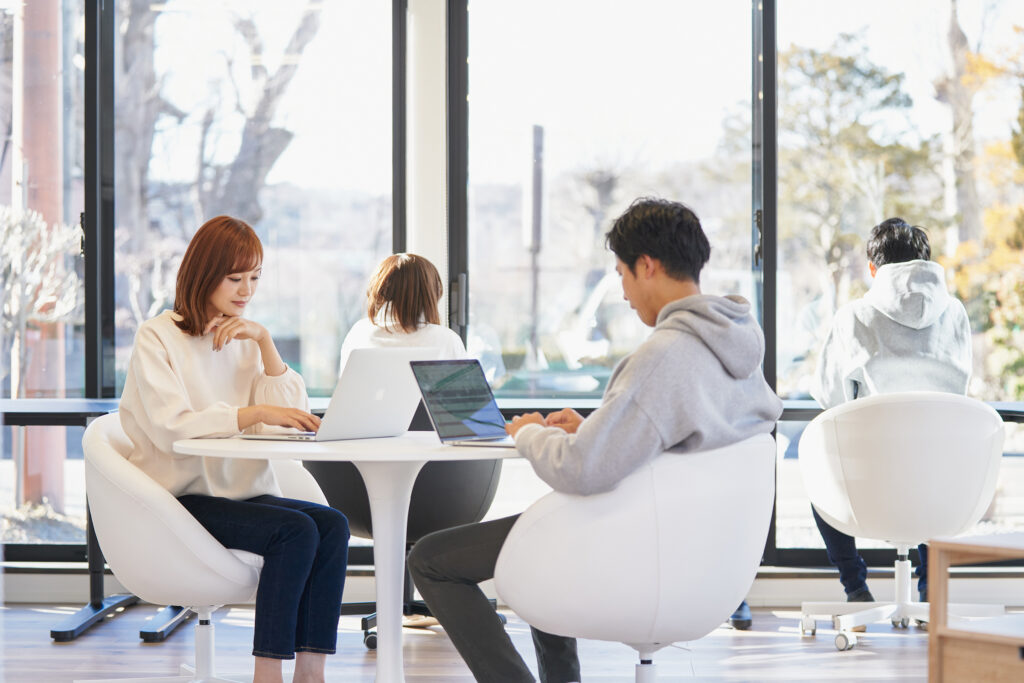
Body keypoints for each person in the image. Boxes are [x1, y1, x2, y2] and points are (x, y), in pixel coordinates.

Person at [406, 197, 783, 682]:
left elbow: (581, 470)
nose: (623, 292)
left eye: (623, 274)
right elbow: (686, 435)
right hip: (700, 554)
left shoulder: (664, 355)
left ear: (647, 266)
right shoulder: (736, 346)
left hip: (639, 548)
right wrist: (594, 427)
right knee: (542, 548)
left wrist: (530, 434)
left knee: (432, 559)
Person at [119, 215, 350, 683]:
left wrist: (265, 343)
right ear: (205, 273)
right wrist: (249, 414)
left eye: (255, 278)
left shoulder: (244, 337)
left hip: (240, 494)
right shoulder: (156, 337)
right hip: (179, 499)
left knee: (331, 524)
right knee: (295, 532)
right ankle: (267, 672)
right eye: (235, 278)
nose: (247, 290)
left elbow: (289, 425)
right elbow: (170, 428)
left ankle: (311, 671)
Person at [811, 217, 972, 607]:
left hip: (871, 489)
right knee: (932, 464)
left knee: (818, 476)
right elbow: (960, 395)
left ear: (873, 269)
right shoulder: (956, 314)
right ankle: (931, 587)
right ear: (927, 263)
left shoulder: (853, 317)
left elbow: (829, 396)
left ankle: (856, 587)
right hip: (943, 491)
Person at [338, 252, 466, 373]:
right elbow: (462, 393)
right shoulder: (446, 339)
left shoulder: (359, 333)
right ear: (430, 294)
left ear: (379, 290)